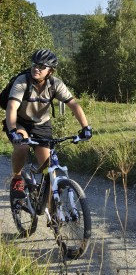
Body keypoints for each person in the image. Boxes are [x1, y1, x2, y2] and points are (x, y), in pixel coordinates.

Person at [4, 49, 92, 204]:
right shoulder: (22, 81)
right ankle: (17, 178)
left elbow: (74, 105)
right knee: (22, 146)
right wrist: (12, 131)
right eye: (34, 64)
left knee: (49, 170)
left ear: (50, 70)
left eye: (41, 66)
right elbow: (11, 108)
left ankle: (53, 214)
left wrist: (86, 128)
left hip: (41, 124)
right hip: (20, 121)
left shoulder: (55, 84)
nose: (36, 68)